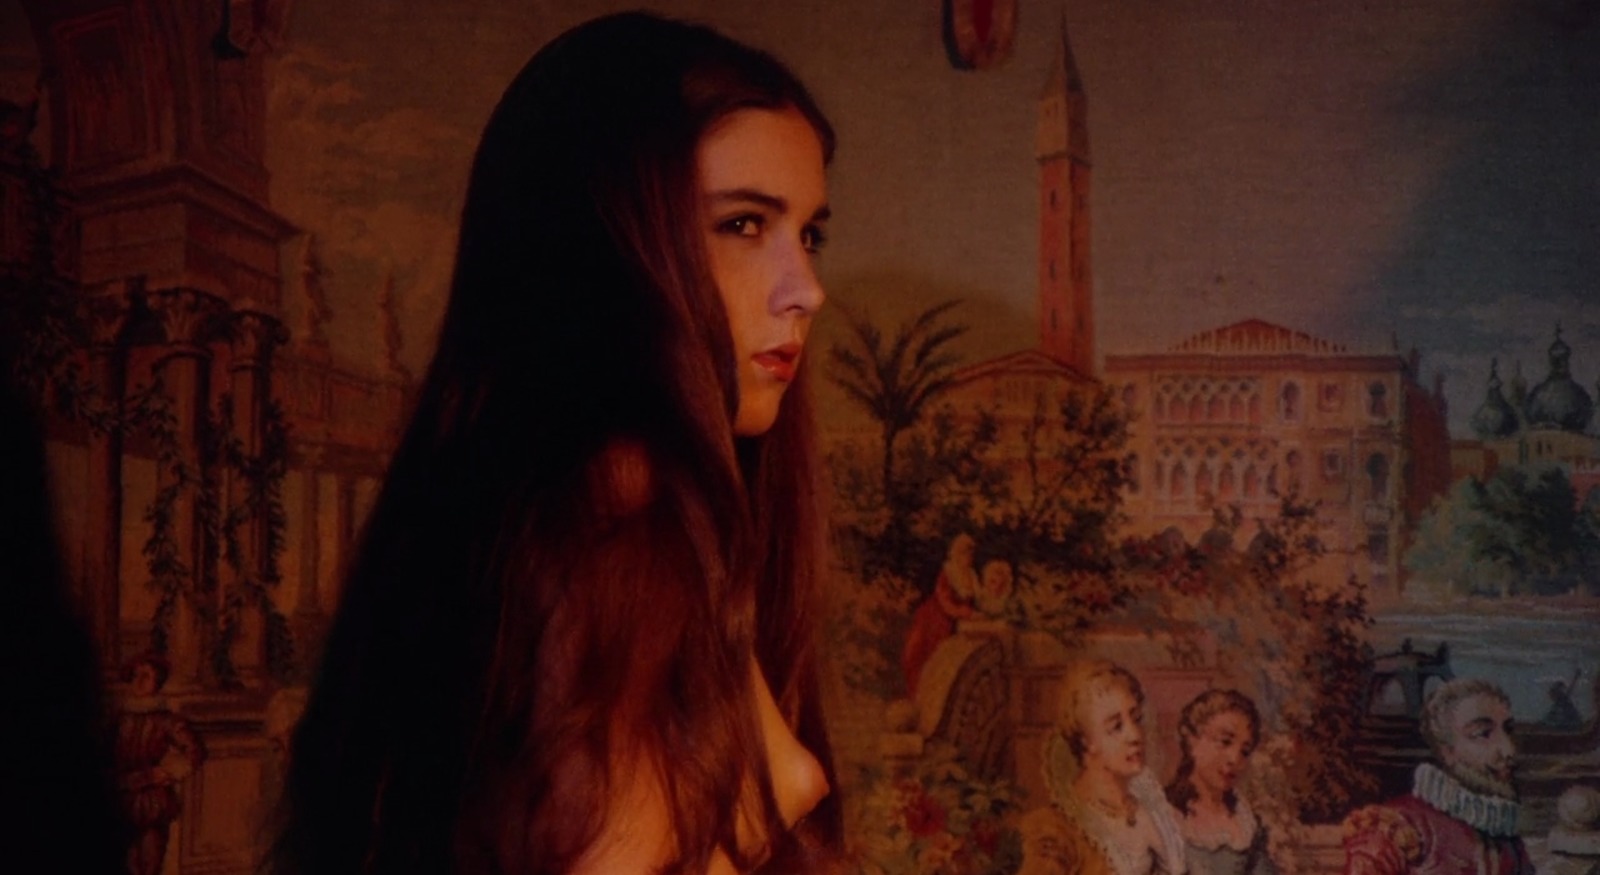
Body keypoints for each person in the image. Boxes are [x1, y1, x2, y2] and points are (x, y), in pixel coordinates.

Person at [267, 13, 840, 874]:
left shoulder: (486, 517)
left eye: (810, 233)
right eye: (744, 225)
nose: (808, 288)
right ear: (610, 241)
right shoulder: (623, 502)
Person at [1342, 678, 1532, 875]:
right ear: (1445, 750)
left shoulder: (1508, 842)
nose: (1508, 750)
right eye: (1483, 734)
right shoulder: (1396, 826)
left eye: (1508, 731)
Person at [1020, 659, 1187, 875]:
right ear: (1086, 740)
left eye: (1136, 719)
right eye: (1116, 727)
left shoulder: (1152, 811)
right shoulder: (1057, 832)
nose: (1135, 735)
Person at [1165, 690, 1276, 875]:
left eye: (1245, 751)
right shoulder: (1163, 815)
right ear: (1192, 740)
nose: (1234, 759)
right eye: (1225, 742)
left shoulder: (1246, 824)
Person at [116, 651, 205, 875]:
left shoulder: (166, 720)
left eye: (145, 676)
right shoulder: (118, 718)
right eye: (135, 676)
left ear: (157, 681)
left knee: (150, 864)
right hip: (122, 797)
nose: (138, 681)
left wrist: (168, 771)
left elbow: (195, 750)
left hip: (153, 802)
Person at [901, 532, 979, 695]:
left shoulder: (972, 575)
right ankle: (924, 694)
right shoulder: (948, 572)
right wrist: (961, 612)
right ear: (956, 553)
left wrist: (974, 613)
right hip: (937, 618)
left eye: (970, 554)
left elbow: (976, 600)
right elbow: (944, 601)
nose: (968, 557)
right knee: (928, 654)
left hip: (960, 621)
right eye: (964, 553)